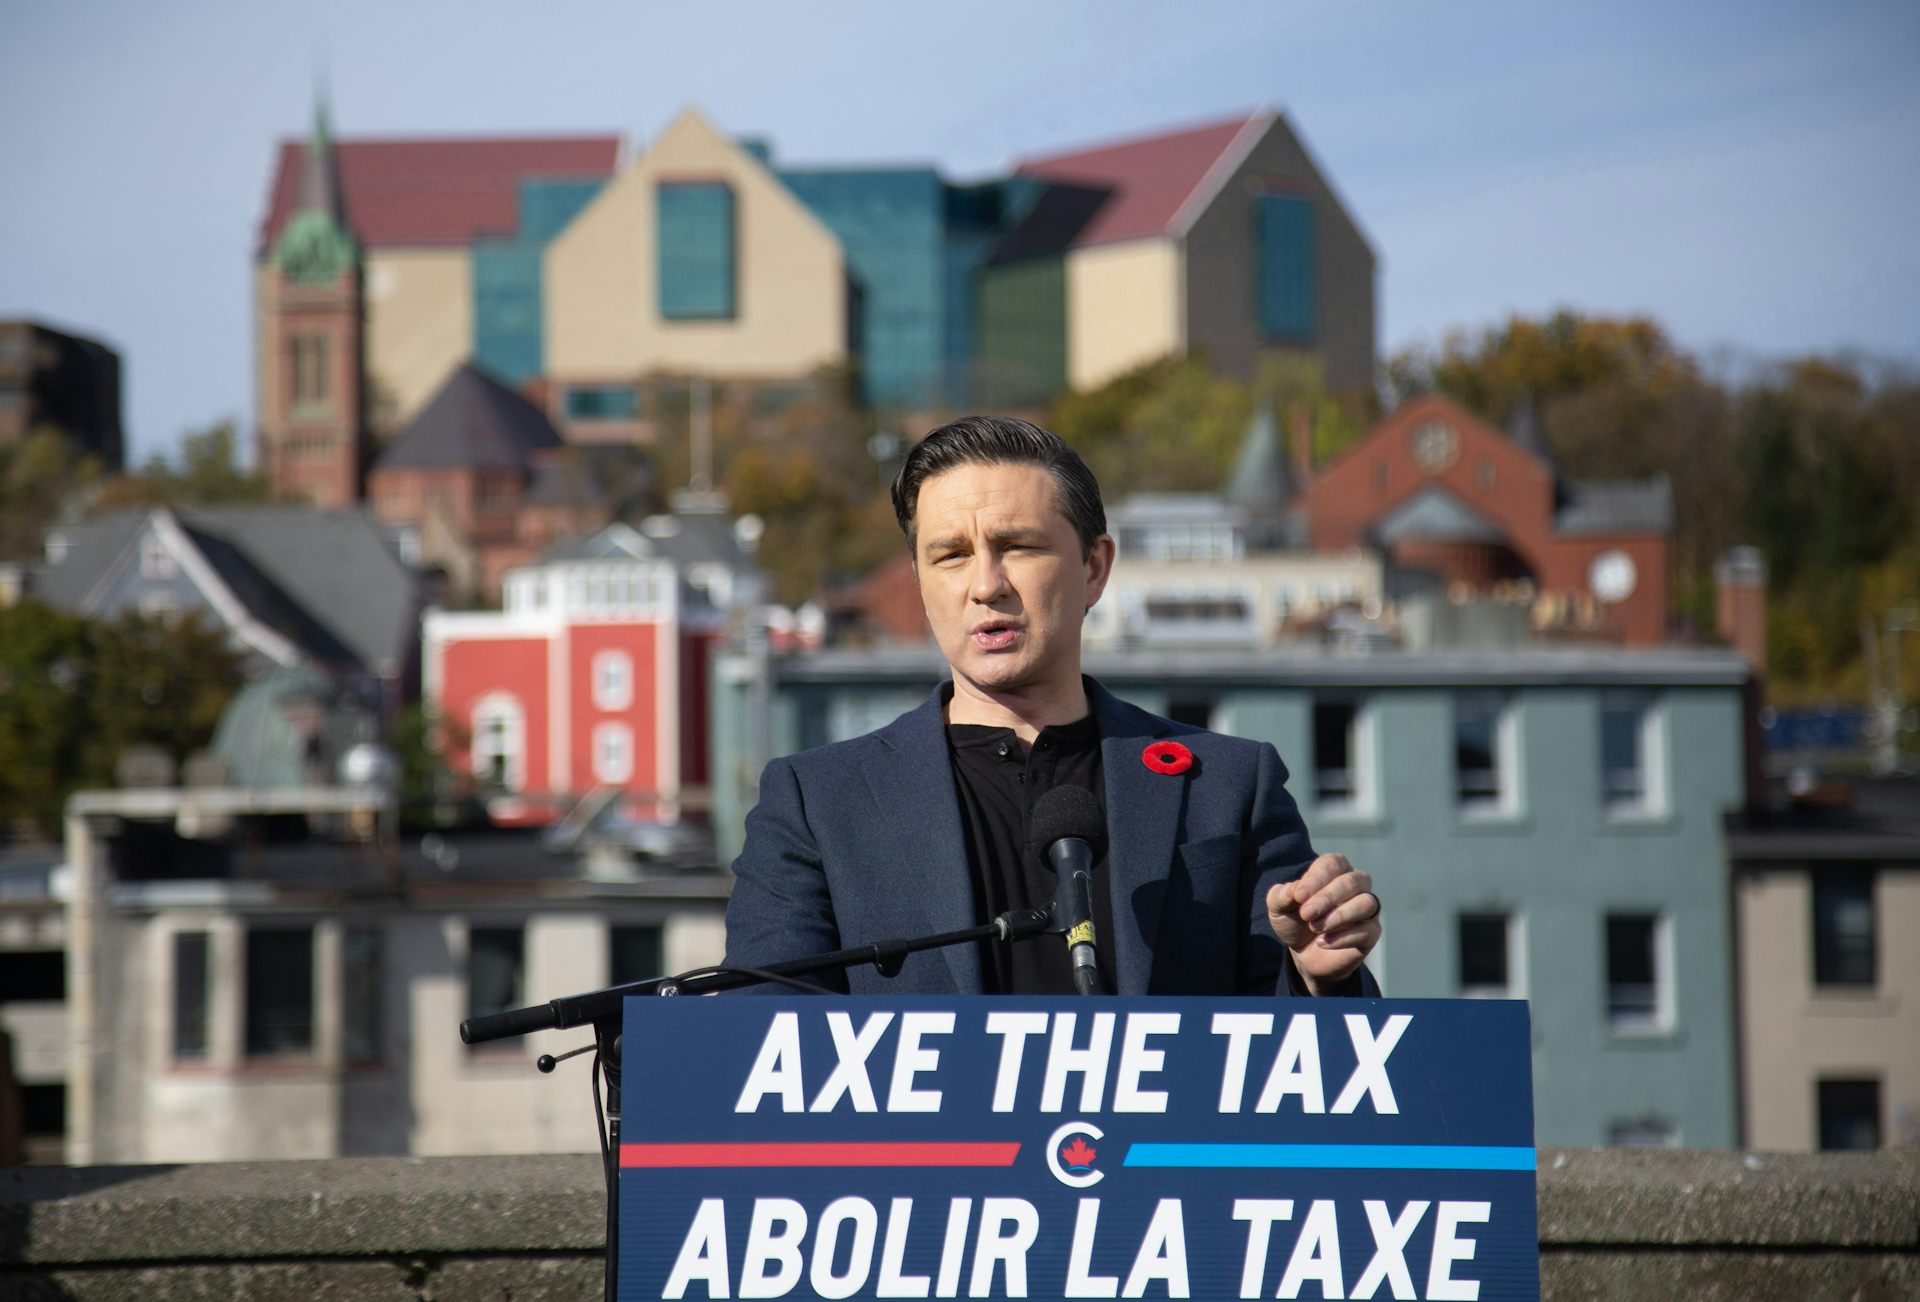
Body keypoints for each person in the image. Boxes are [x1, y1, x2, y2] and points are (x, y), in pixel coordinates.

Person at [723, 416, 1382, 996]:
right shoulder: (817, 803)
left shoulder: (1228, 787)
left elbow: (1310, 1079)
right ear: (921, 582)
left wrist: (1320, 980)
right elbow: (763, 1057)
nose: (985, 585)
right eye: (950, 556)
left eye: (1018, 547)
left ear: (1095, 568)